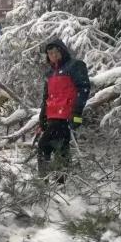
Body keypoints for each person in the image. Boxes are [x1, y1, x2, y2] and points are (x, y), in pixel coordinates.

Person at [37, 38, 90, 182]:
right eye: (49, 53)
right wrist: (42, 117)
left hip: (67, 115)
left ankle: (46, 182)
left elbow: (83, 89)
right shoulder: (49, 73)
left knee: (44, 145)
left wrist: (77, 114)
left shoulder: (75, 65)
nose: (52, 55)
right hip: (52, 116)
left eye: (55, 52)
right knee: (61, 147)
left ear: (62, 51)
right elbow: (46, 97)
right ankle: (60, 181)